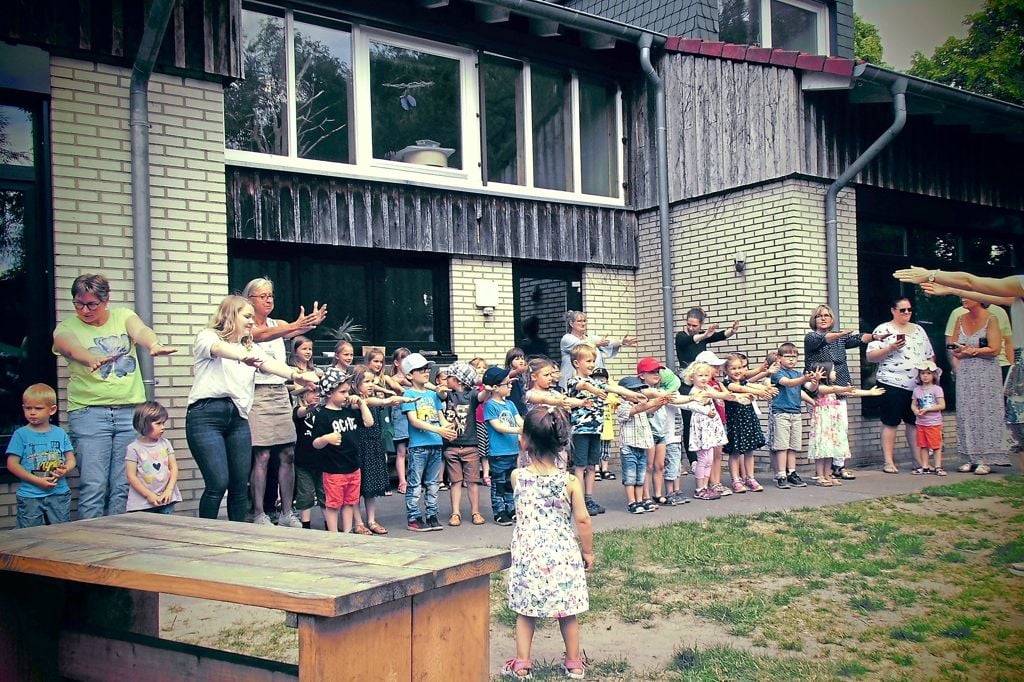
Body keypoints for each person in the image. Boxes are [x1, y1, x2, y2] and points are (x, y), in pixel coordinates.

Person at [185, 295, 319, 522]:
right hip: (206, 415)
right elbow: (218, 349)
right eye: (246, 317)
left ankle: (240, 537)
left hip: (237, 416)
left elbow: (272, 365)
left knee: (239, 484)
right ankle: (205, 535)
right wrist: (242, 355)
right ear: (230, 316)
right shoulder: (208, 336)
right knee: (218, 483)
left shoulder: (250, 347)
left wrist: (299, 375)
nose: (251, 322)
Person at [52, 273, 175, 518]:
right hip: (90, 413)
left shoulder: (122, 316)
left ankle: (118, 541)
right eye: (78, 303)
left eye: (91, 304)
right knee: (94, 485)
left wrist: (153, 345)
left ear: (105, 300)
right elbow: (70, 347)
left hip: (129, 412)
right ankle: (93, 545)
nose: (84, 310)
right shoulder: (66, 327)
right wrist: (91, 358)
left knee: (122, 485)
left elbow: (140, 330)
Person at [502, 407, 593, 681]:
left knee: (525, 611)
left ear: (525, 440)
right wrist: (587, 551)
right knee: (568, 611)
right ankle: (574, 663)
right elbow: (583, 520)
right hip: (563, 553)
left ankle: (522, 663)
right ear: (562, 441)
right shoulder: (570, 481)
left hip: (528, 553)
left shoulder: (518, 477)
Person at [244, 277, 326, 528]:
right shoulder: (246, 326)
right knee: (263, 454)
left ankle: (286, 512)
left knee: (288, 452)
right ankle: (259, 513)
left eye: (271, 295)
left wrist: (308, 324)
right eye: (263, 296)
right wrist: (294, 326)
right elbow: (265, 334)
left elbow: (292, 330)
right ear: (249, 300)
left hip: (280, 392)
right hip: (257, 393)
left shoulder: (277, 323)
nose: (269, 300)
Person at [804, 304, 887, 480]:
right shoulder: (811, 337)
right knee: (823, 432)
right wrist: (841, 334)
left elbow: (858, 339)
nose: (824, 318)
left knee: (841, 428)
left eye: (827, 315)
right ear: (815, 319)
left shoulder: (840, 339)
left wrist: (874, 337)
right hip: (820, 390)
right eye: (820, 316)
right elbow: (827, 339)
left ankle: (838, 467)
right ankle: (822, 472)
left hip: (840, 384)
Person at [566, 344, 643, 515]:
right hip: (580, 431)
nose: (592, 364)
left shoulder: (596, 381)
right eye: (588, 361)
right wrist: (594, 389)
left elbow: (614, 388)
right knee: (580, 466)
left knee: (592, 465)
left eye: (593, 360)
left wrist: (632, 394)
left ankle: (588, 498)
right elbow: (583, 387)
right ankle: (576, 500)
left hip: (596, 430)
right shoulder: (573, 381)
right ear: (576, 363)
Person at [866, 297, 935, 473]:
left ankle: (918, 461)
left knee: (914, 422)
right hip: (892, 382)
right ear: (893, 310)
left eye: (909, 310)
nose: (906, 313)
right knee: (890, 422)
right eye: (902, 310)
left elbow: (929, 355)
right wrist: (890, 348)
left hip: (917, 385)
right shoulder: (883, 329)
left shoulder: (919, 330)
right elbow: (870, 356)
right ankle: (888, 462)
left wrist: (931, 374)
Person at [350, 365, 415, 535]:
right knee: (356, 487)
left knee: (370, 486)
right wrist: (389, 400)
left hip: (373, 444)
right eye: (366, 382)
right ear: (356, 384)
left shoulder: (370, 399)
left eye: (372, 381)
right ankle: (357, 522)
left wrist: (394, 399)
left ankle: (371, 520)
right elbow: (372, 403)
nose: (371, 385)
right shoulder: (354, 400)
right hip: (358, 447)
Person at [674, 308, 740, 473]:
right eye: (689, 324)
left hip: (702, 381)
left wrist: (730, 331)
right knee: (689, 421)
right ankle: (693, 459)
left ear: (700, 324)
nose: (691, 327)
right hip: (687, 383)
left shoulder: (702, 335)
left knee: (704, 418)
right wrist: (704, 335)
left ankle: (705, 455)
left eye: (695, 325)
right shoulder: (681, 337)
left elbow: (717, 336)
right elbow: (693, 340)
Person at [310, 368, 372, 533]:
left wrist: (361, 403)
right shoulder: (323, 415)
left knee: (350, 502)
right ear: (329, 393)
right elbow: (315, 442)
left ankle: (347, 532)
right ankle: (333, 533)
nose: (346, 395)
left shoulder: (349, 411)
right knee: (333, 503)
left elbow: (368, 422)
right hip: (334, 469)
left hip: (353, 466)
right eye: (342, 392)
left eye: (347, 391)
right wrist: (326, 439)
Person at [6, 384, 75, 528]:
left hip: (59, 493)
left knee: (61, 533)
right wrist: (37, 481)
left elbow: (71, 459)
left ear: (52, 410)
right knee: (29, 536)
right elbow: (12, 464)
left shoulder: (60, 433)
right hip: (30, 495)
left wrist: (65, 470)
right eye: (27, 408)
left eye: (38, 408)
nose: (32, 413)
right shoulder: (21, 434)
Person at [948, 297, 1004, 475]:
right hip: (966, 371)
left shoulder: (991, 318)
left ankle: (986, 459)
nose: (963, 299)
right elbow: (953, 347)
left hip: (986, 372)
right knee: (966, 411)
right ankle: (969, 457)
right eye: (961, 296)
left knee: (985, 411)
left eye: (967, 296)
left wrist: (972, 351)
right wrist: (960, 351)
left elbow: (995, 349)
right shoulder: (960, 318)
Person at [807, 361, 885, 486]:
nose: (835, 373)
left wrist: (869, 393)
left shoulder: (834, 388)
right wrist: (843, 388)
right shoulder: (819, 387)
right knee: (822, 449)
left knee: (830, 449)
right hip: (822, 423)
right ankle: (820, 475)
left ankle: (828, 474)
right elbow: (832, 389)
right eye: (832, 370)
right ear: (825, 373)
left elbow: (851, 392)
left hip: (832, 423)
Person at [401, 352, 456, 532]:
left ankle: (432, 514)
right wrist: (439, 430)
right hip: (418, 446)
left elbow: (440, 417)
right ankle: (414, 517)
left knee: (433, 484)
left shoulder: (433, 395)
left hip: (435, 444)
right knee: (415, 484)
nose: (426, 372)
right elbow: (414, 421)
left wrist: (449, 427)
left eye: (427, 369)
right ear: (410, 375)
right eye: (421, 370)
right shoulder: (408, 394)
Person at [722, 353, 776, 493]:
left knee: (749, 451)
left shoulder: (744, 381)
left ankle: (750, 478)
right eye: (733, 368)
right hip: (735, 422)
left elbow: (751, 385)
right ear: (726, 370)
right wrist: (760, 391)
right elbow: (740, 389)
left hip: (748, 419)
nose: (738, 371)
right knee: (735, 452)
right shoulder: (727, 383)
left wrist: (765, 389)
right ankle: (736, 479)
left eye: (740, 368)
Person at [615, 376, 668, 514]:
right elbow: (637, 410)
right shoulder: (622, 406)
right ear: (623, 393)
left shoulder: (641, 407)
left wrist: (660, 403)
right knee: (630, 476)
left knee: (640, 476)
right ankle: (631, 502)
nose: (638, 392)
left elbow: (648, 411)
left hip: (641, 447)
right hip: (629, 447)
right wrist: (652, 402)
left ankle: (640, 500)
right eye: (634, 390)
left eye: (639, 389)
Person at [442, 362, 486, 526]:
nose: (446, 380)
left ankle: (476, 512)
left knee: (473, 481)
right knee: (455, 481)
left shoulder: (472, 395)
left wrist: (486, 386)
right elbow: (439, 393)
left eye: (449, 377)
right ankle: (455, 513)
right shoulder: (448, 395)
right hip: (452, 446)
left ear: (458, 380)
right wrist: (441, 390)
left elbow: (482, 396)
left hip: (471, 445)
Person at [770, 343, 818, 490]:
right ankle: (781, 474)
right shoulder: (777, 373)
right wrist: (805, 379)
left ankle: (792, 473)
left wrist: (815, 381)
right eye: (787, 356)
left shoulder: (798, 374)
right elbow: (788, 384)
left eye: (794, 357)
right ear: (779, 358)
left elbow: (810, 388)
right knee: (782, 446)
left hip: (796, 413)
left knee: (793, 446)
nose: (791, 360)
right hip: (781, 413)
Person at [679, 361, 727, 501]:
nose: (704, 378)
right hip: (701, 425)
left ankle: (705, 486)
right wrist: (706, 410)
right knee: (703, 458)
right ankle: (699, 488)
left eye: (706, 375)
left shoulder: (707, 388)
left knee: (709, 459)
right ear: (692, 377)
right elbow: (694, 406)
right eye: (700, 375)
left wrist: (733, 396)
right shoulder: (695, 391)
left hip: (710, 425)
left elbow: (719, 395)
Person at [484, 365, 523, 526]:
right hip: (498, 452)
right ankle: (499, 511)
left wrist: (527, 428)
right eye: (506, 384)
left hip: (512, 450)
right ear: (495, 388)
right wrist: (518, 430)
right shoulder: (490, 405)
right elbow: (498, 426)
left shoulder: (510, 404)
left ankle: (511, 508)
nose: (510, 385)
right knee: (498, 483)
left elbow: (519, 420)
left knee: (509, 482)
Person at [125, 401, 181, 514]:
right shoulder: (133, 448)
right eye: (158, 423)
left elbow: (173, 467)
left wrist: (169, 490)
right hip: (142, 504)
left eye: (164, 423)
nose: (163, 427)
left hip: (166, 500)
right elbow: (131, 476)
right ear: (144, 424)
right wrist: (148, 495)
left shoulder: (166, 444)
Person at [559, 310, 637, 389]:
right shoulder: (567, 338)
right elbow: (582, 345)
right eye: (579, 321)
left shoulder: (591, 337)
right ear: (571, 323)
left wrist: (621, 342)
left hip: (592, 377)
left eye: (584, 321)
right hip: (573, 379)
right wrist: (597, 343)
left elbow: (608, 343)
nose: (583, 324)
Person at [292, 386, 324, 529]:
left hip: (323, 459)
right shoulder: (298, 410)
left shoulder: (324, 410)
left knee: (325, 493)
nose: (316, 395)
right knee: (305, 494)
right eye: (312, 392)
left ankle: (329, 523)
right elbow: (300, 413)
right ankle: (306, 525)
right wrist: (308, 409)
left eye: (318, 392)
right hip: (304, 460)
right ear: (304, 394)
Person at [911, 361, 946, 476]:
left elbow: (942, 405)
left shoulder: (937, 389)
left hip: (934, 422)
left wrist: (928, 409)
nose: (925, 376)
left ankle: (938, 467)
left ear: (934, 375)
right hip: (921, 422)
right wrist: (915, 410)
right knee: (923, 445)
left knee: (936, 446)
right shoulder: (917, 390)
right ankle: (925, 466)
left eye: (928, 373)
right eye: (922, 373)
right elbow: (914, 404)